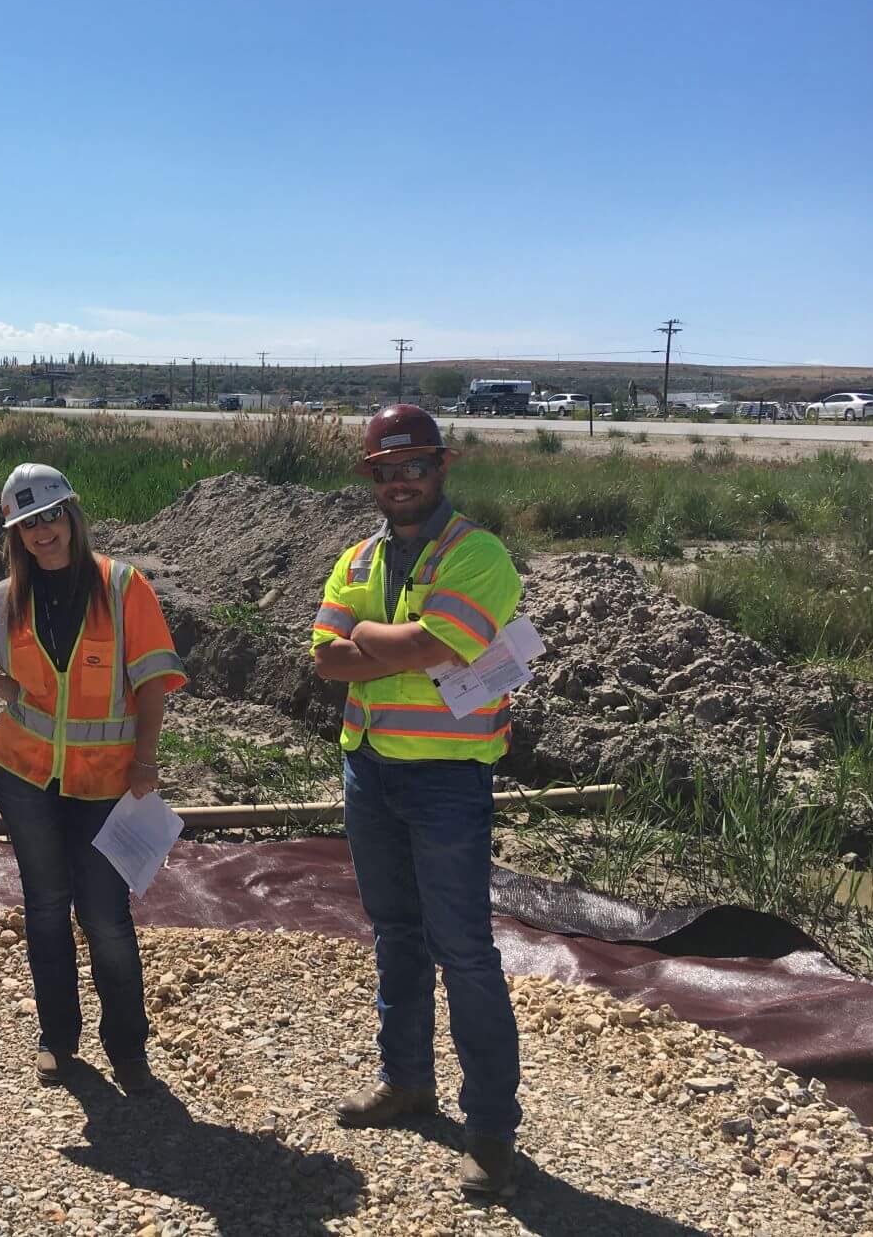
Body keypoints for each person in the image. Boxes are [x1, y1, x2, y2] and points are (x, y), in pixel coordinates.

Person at [309, 403, 525, 1199]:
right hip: (368, 771)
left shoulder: (479, 554)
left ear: (441, 467)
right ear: (371, 477)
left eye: (414, 467)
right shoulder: (358, 558)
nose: (401, 481)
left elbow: (437, 645)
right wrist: (387, 646)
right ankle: (406, 1082)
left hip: (446, 779)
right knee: (396, 933)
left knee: (463, 951)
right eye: (386, 470)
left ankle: (491, 1128)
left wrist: (370, 638)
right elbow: (326, 659)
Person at [0, 463, 187, 1094]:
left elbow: (154, 680)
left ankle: (127, 1047)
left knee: (105, 916)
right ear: (15, 536)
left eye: (50, 517)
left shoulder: (121, 586)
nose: (42, 532)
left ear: (71, 515)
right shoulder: (7, 598)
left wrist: (146, 760)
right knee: (45, 909)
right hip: (25, 777)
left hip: (106, 781)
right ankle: (58, 1038)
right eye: (28, 524)